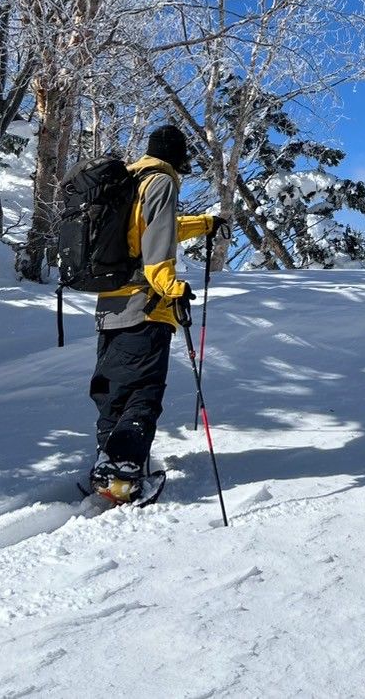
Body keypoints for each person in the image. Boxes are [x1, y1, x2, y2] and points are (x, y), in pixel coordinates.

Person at [88, 124, 224, 502]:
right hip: (145, 305)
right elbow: (156, 249)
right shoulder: (162, 182)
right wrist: (172, 287)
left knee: (114, 394)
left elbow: (150, 230)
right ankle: (122, 473)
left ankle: (108, 471)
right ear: (176, 155)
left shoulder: (130, 181)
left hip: (110, 305)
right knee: (143, 393)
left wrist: (205, 224)